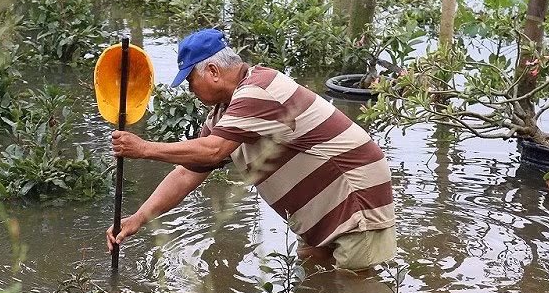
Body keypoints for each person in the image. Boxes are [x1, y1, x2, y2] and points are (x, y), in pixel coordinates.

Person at [106, 28, 396, 271]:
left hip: (355, 199)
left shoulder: (259, 89)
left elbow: (213, 151)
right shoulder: (223, 112)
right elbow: (187, 173)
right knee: (314, 282)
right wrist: (138, 218)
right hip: (319, 212)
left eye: (190, 81)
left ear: (213, 71)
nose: (190, 90)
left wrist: (143, 148)